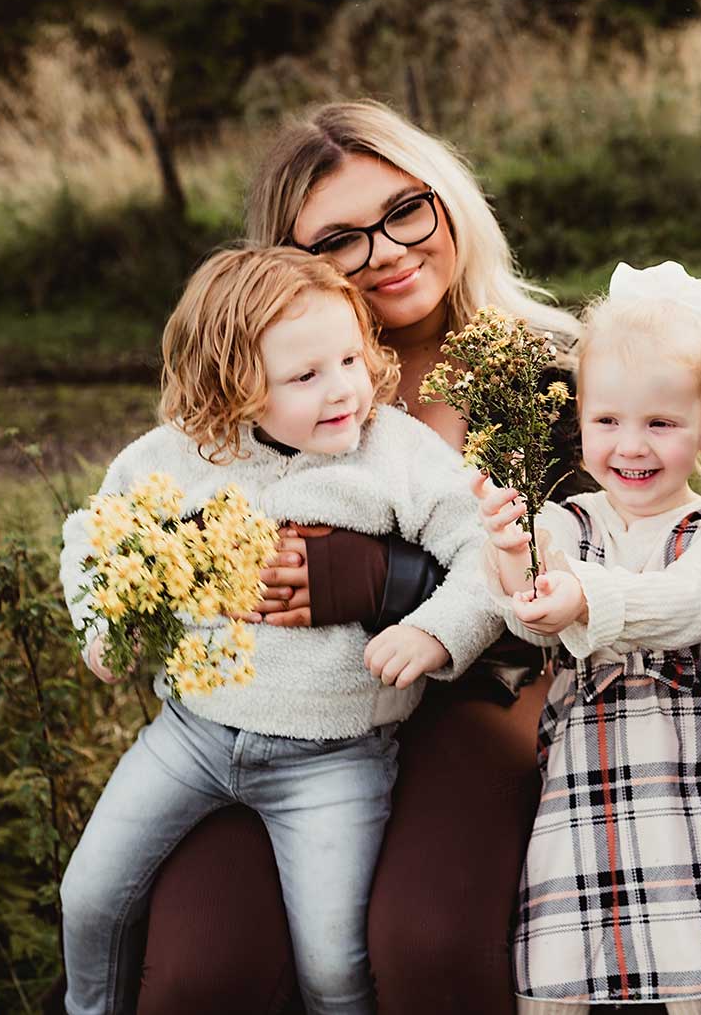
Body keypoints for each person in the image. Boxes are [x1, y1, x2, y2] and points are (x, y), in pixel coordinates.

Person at [127, 100, 585, 1015]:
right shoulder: (259, 393)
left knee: (426, 943)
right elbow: (151, 522)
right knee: (200, 973)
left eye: (404, 210)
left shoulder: (555, 369)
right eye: (338, 239)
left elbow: (605, 567)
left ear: (448, 202)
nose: (384, 251)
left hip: (483, 696)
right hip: (286, 705)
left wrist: (384, 580)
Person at [58, 247, 501, 1014]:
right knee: (90, 895)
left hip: (334, 756)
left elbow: (486, 557)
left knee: (332, 963)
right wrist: (103, 620)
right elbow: (94, 537)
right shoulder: (176, 458)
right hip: (190, 734)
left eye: (350, 359)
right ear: (230, 387)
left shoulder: (392, 453)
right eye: (305, 377)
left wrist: (433, 631)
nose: (343, 390)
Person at [475, 261, 701, 1015]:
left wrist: (582, 596)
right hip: (575, 809)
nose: (630, 446)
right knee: (561, 983)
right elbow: (522, 601)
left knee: (697, 986)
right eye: (607, 421)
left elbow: (691, 601)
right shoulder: (569, 522)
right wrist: (510, 549)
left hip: (687, 811)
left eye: (660, 423)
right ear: (580, 419)